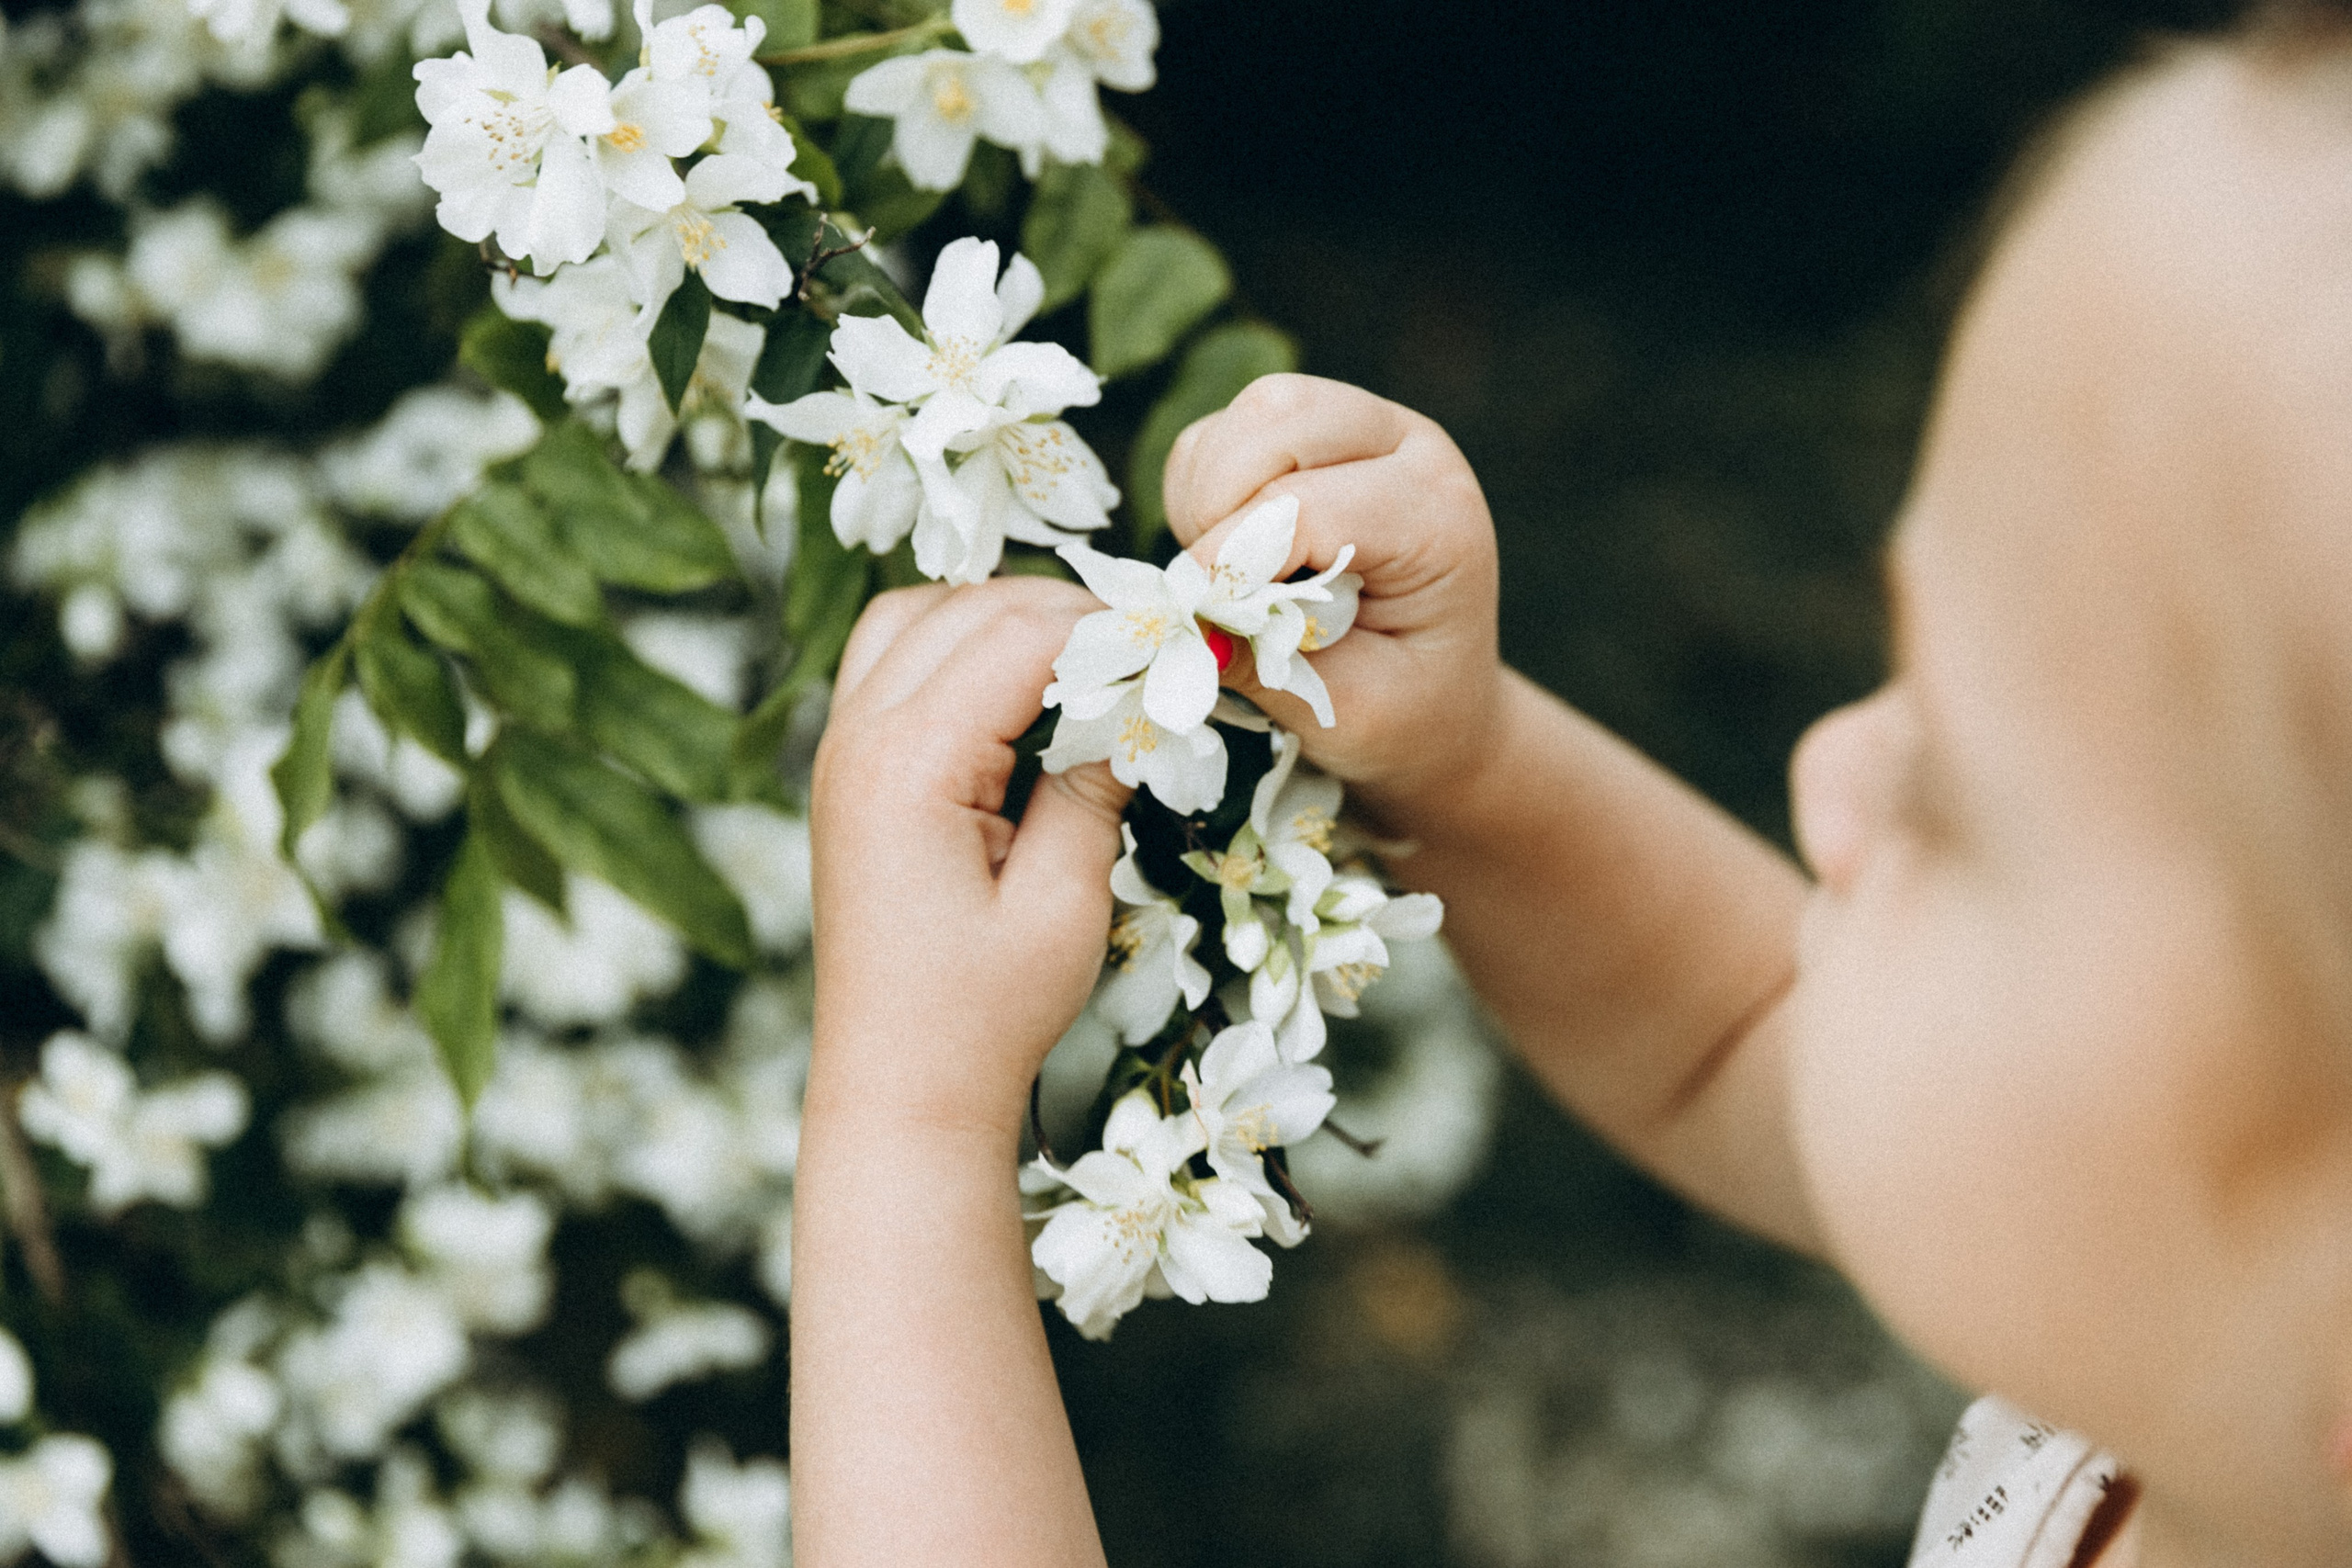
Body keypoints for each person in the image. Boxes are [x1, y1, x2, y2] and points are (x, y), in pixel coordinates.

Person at [786, 3, 2352, 1562]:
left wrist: (908, 1135)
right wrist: (1460, 757)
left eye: (1957, 797)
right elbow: (1746, 1035)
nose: (1827, 770)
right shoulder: (2181, 1307)